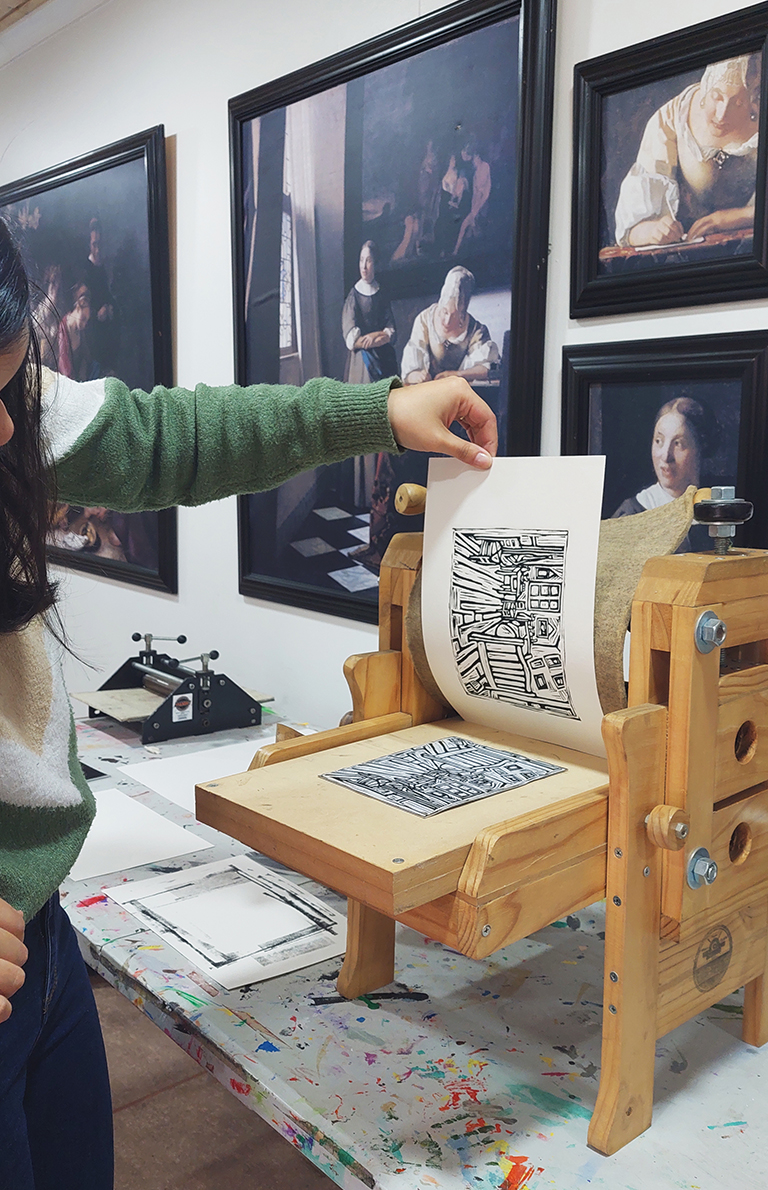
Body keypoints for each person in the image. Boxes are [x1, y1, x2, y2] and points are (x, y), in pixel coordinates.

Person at [0, 214, 496, 1189]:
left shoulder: (22, 412)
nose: (7, 433)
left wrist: (380, 410)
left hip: (41, 931)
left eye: (7, 383)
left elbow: (175, 438)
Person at [614, 54, 761, 248]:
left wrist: (725, 219)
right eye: (716, 97)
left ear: (753, 99)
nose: (722, 114)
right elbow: (632, 230)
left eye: (738, 103)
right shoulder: (670, 118)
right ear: (706, 87)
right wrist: (653, 230)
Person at [611, 396, 718, 551]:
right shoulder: (632, 513)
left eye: (678, 444)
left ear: (700, 448)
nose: (666, 456)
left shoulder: (717, 511)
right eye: (659, 441)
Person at [401, 265, 499, 385]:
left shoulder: (476, 330)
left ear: (462, 313)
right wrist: (417, 375)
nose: (447, 321)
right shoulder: (424, 320)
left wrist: (457, 374)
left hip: (458, 389)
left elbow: (487, 369)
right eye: (445, 312)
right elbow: (411, 368)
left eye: (454, 315)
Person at [341, 240, 398, 383]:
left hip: (384, 356)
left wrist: (374, 336)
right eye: (361, 260)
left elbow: (391, 331)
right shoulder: (354, 296)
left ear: (375, 264)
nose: (364, 266)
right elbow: (352, 340)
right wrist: (378, 338)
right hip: (362, 358)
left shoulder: (381, 293)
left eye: (368, 261)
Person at [57, 281, 92, 380]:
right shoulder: (62, 329)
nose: (85, 324)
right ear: (77, 307)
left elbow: (85, 357)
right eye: (83, 319)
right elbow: (63, 367)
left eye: (86, 321)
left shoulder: (80, 330)